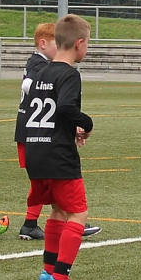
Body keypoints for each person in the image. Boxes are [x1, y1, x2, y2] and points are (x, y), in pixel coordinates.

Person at [22, 14, 95, 280]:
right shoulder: (69, 74)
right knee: (78, 212)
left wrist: (69, 127)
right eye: (88, 43)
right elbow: (65, 107)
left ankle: (48, 271)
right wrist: (86, 123)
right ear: (79, 44)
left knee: (58, 210)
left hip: (36, 150)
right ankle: (61, 277)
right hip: (58, 154)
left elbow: (43, 111)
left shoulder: (41, 72)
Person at [14, 23, 102, 242]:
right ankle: (59, 227)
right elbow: (40, 93)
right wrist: (85, 122)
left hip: (36, 131)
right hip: (43, 134)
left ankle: (36, 226)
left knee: (52, 196)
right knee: (67, 202)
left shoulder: (44, 67)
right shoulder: (43, 67)